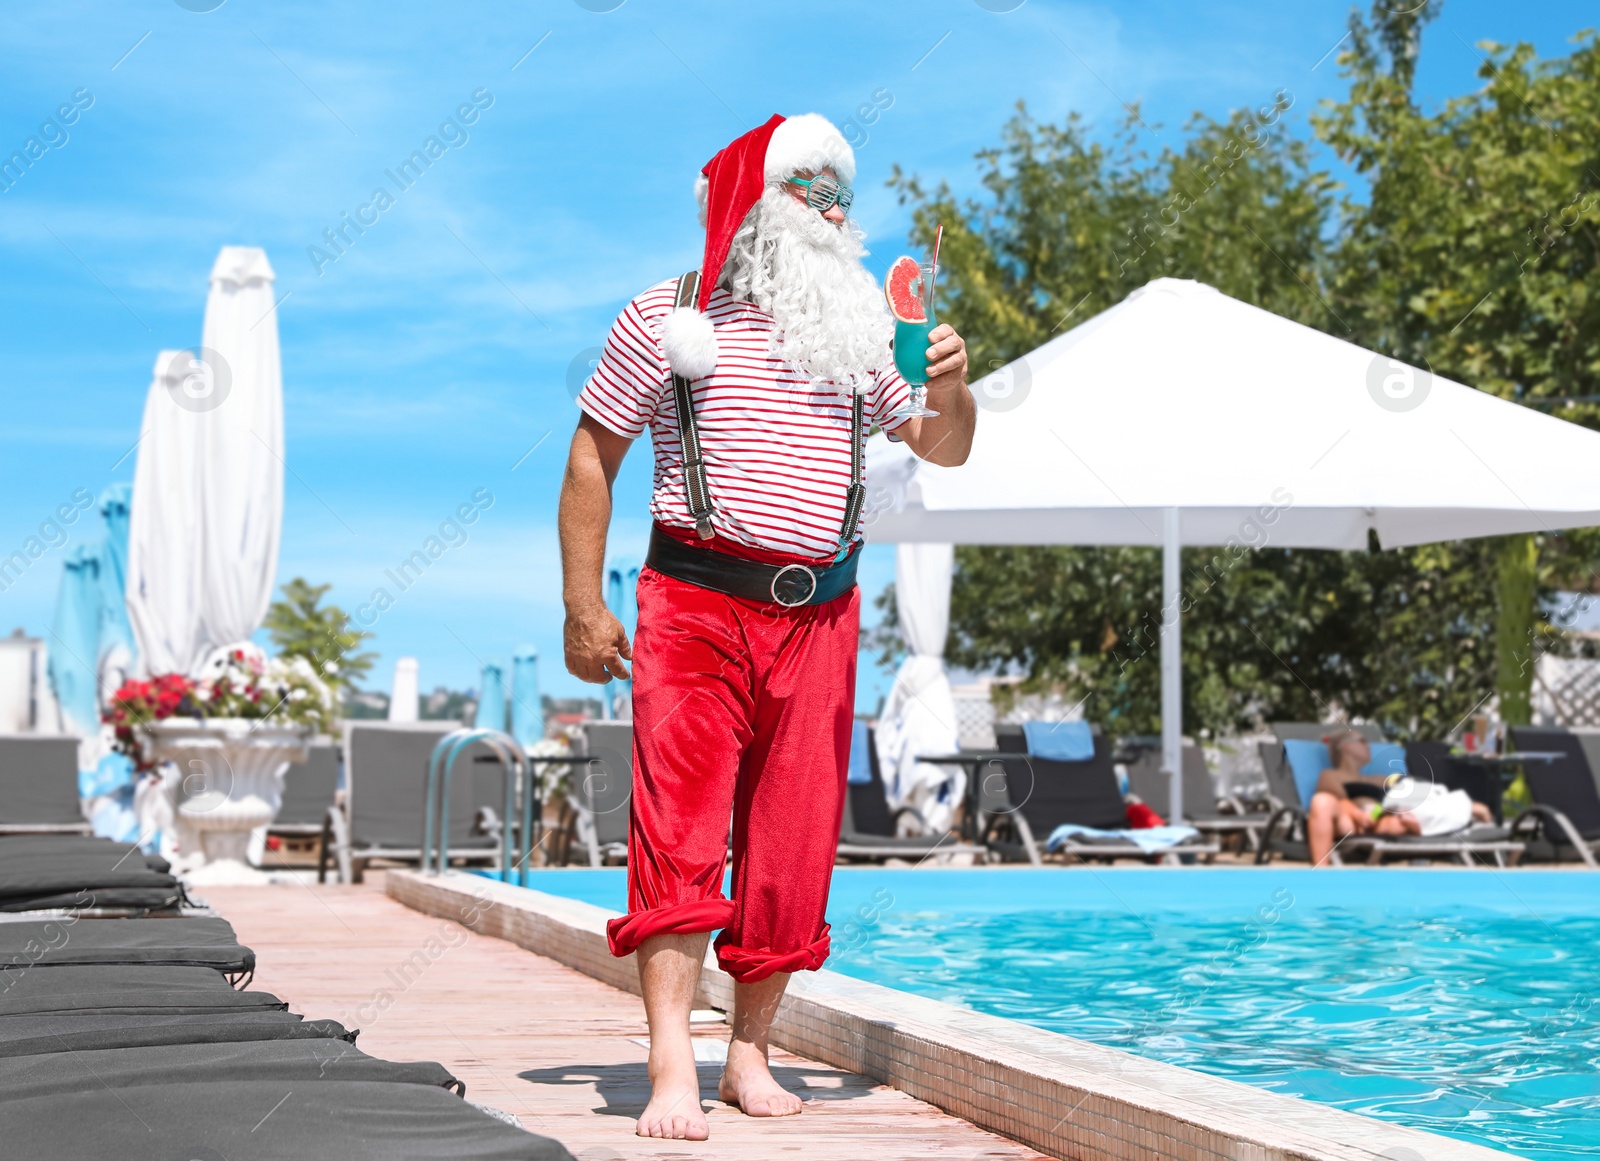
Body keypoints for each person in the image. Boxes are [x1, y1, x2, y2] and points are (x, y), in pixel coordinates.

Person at [558, 113, 976, 1141]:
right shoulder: (669, 315)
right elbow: (589, 459)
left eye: (841, 192)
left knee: (793, 843)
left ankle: (750, 1052)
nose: (834, 208)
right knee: (680, 832)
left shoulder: (857, 333)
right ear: (755, 202)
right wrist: (582, 604)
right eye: (812, 189)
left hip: (822, 613)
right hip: (694, 604)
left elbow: (943, 446)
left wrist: (956, 387)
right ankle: (670, 1062)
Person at [1306, 729, 1491, 865]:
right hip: (1353, 823)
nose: (1368, 745)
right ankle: (1321, 878)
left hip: (1390, 820)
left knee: (1424, 797)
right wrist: (1359, 815)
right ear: (1345, 747)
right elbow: (1339, 801)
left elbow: (1405, 794)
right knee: (1322, 801)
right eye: (1362, 740)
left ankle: (1465, 811)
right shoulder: (1330, 775)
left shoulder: (1379, 778)